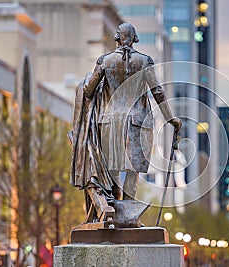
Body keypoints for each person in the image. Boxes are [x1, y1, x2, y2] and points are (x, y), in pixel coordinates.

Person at [70, 22, 181, 222]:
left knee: (111, 169)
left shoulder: (105, 61)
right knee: (132, 170)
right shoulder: (145, 61)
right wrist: (170, 118)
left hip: (109, 121)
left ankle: (110, 212)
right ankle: (129, 216)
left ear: (117, 38)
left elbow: (88, 91)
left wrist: (86, 81)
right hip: (137, 122)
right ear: (135, 37)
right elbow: (157, 92)